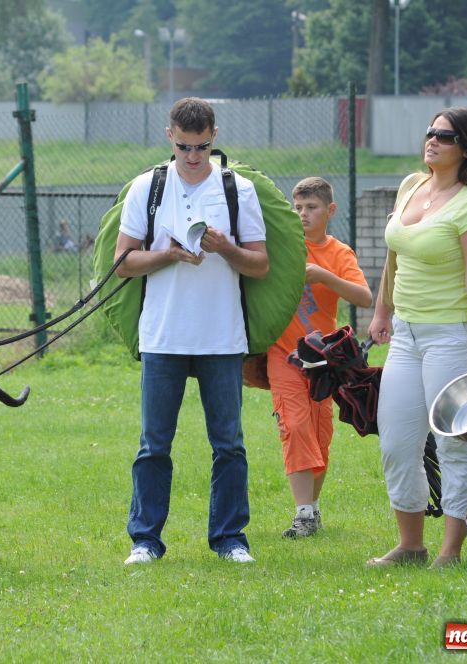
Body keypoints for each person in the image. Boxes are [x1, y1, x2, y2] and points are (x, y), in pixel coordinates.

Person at [113, 97, 269, 565]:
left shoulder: (238, 189)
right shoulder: (147, 187)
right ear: (170, 137)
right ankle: (145, 541)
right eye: (184, 146)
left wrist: (225, 248)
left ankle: (230, 539)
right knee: (153, 445)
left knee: (229, 445)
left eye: (201, 146)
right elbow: (123, 262)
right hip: (163, 335)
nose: (193, 156)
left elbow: (259, 265)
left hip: (222, 335)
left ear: (214, 137)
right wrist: (169, 254)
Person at [367, 107, 467, 568]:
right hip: (406, 336)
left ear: (466, 148)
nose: (432, 140)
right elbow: (395, 257)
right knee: (396, 443)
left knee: (453, 444)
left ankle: (450, 551)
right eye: (431, 131)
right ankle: (410, 545)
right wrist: (382, 311)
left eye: (445, 136)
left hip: (453, 337)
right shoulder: (412, 186)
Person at [265, 177, 372, 538]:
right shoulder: (283, 246)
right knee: (294, 425)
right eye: (297, 207)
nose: (303, 214)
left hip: (323, 359)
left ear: (330, 211)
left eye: (311, 207)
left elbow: (364, 297)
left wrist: (325, 276)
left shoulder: (339, 253)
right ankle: (303, 514)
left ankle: (312, 509)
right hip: (283, 354)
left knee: (319, 433)